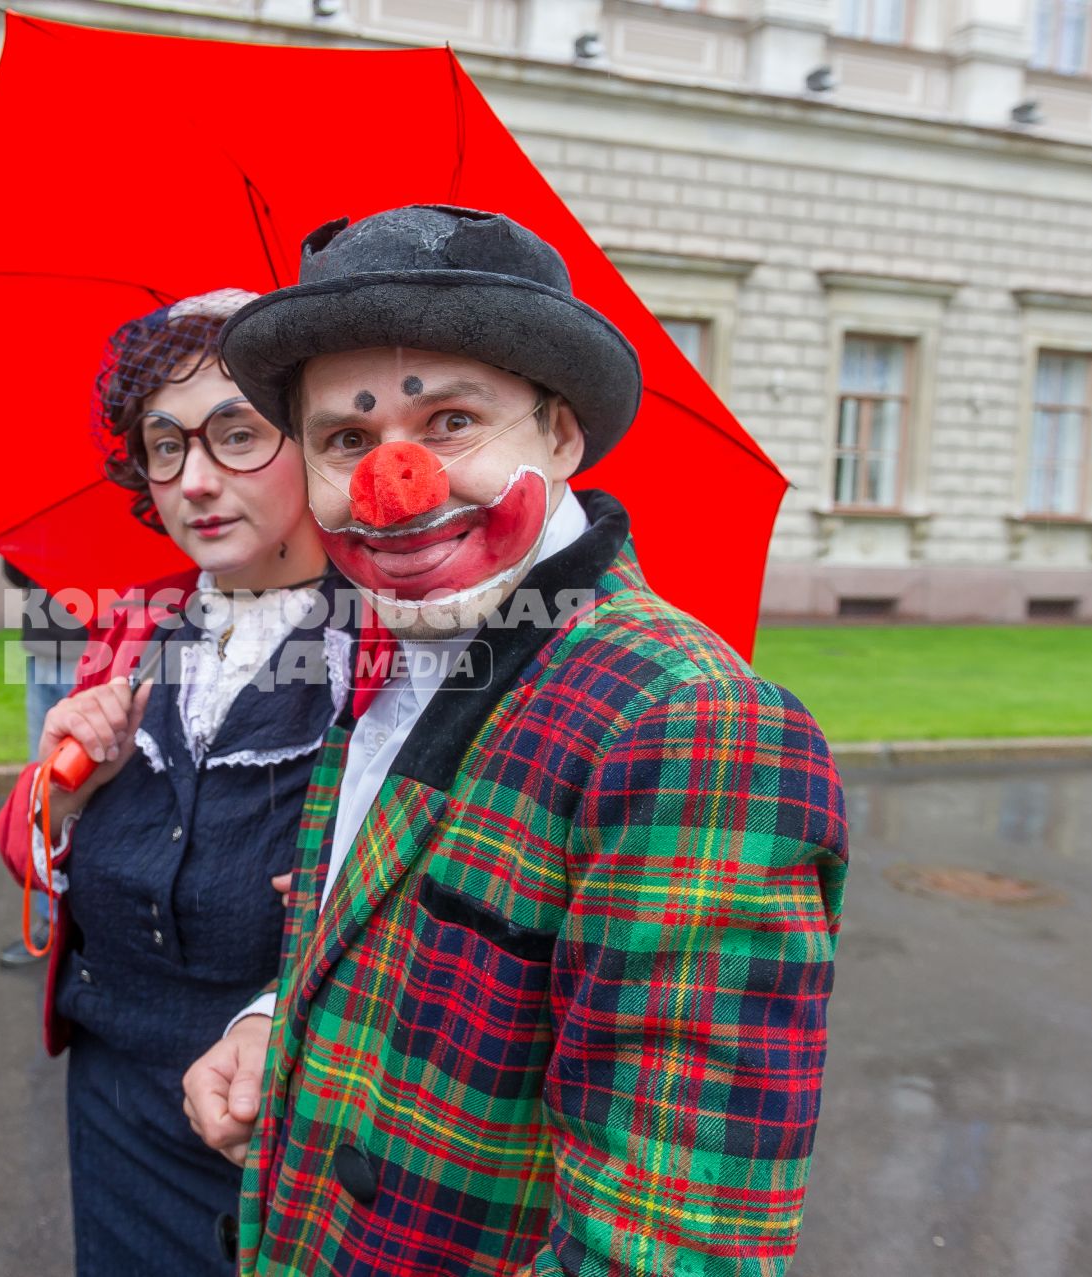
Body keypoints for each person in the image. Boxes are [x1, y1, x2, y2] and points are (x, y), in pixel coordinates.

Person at [182, 206, 850, 1275]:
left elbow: (670, 1245)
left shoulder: (691, 724)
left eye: (451, 421)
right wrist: (276, 1018)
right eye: (346, 440)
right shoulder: (392, 650)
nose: (393, 487)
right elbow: (377, 936)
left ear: (562, 434)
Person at [0, 289, 350, 1276]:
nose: (193, 479)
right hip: (114, 1095)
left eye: (236, 434)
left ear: (320, 446)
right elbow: (22, 841)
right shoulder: (136, 624)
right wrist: (63, 792)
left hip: (286, 1108)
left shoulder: (389, 652)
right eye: (165, 446)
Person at [0, 558, 90, 969]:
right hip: (42, 651)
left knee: (86, 794)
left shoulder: (119, 496)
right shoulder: (54, 505)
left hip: (92, 652)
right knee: (42, 792)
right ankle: (49, 925)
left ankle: (85, 928)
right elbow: (15, 567)